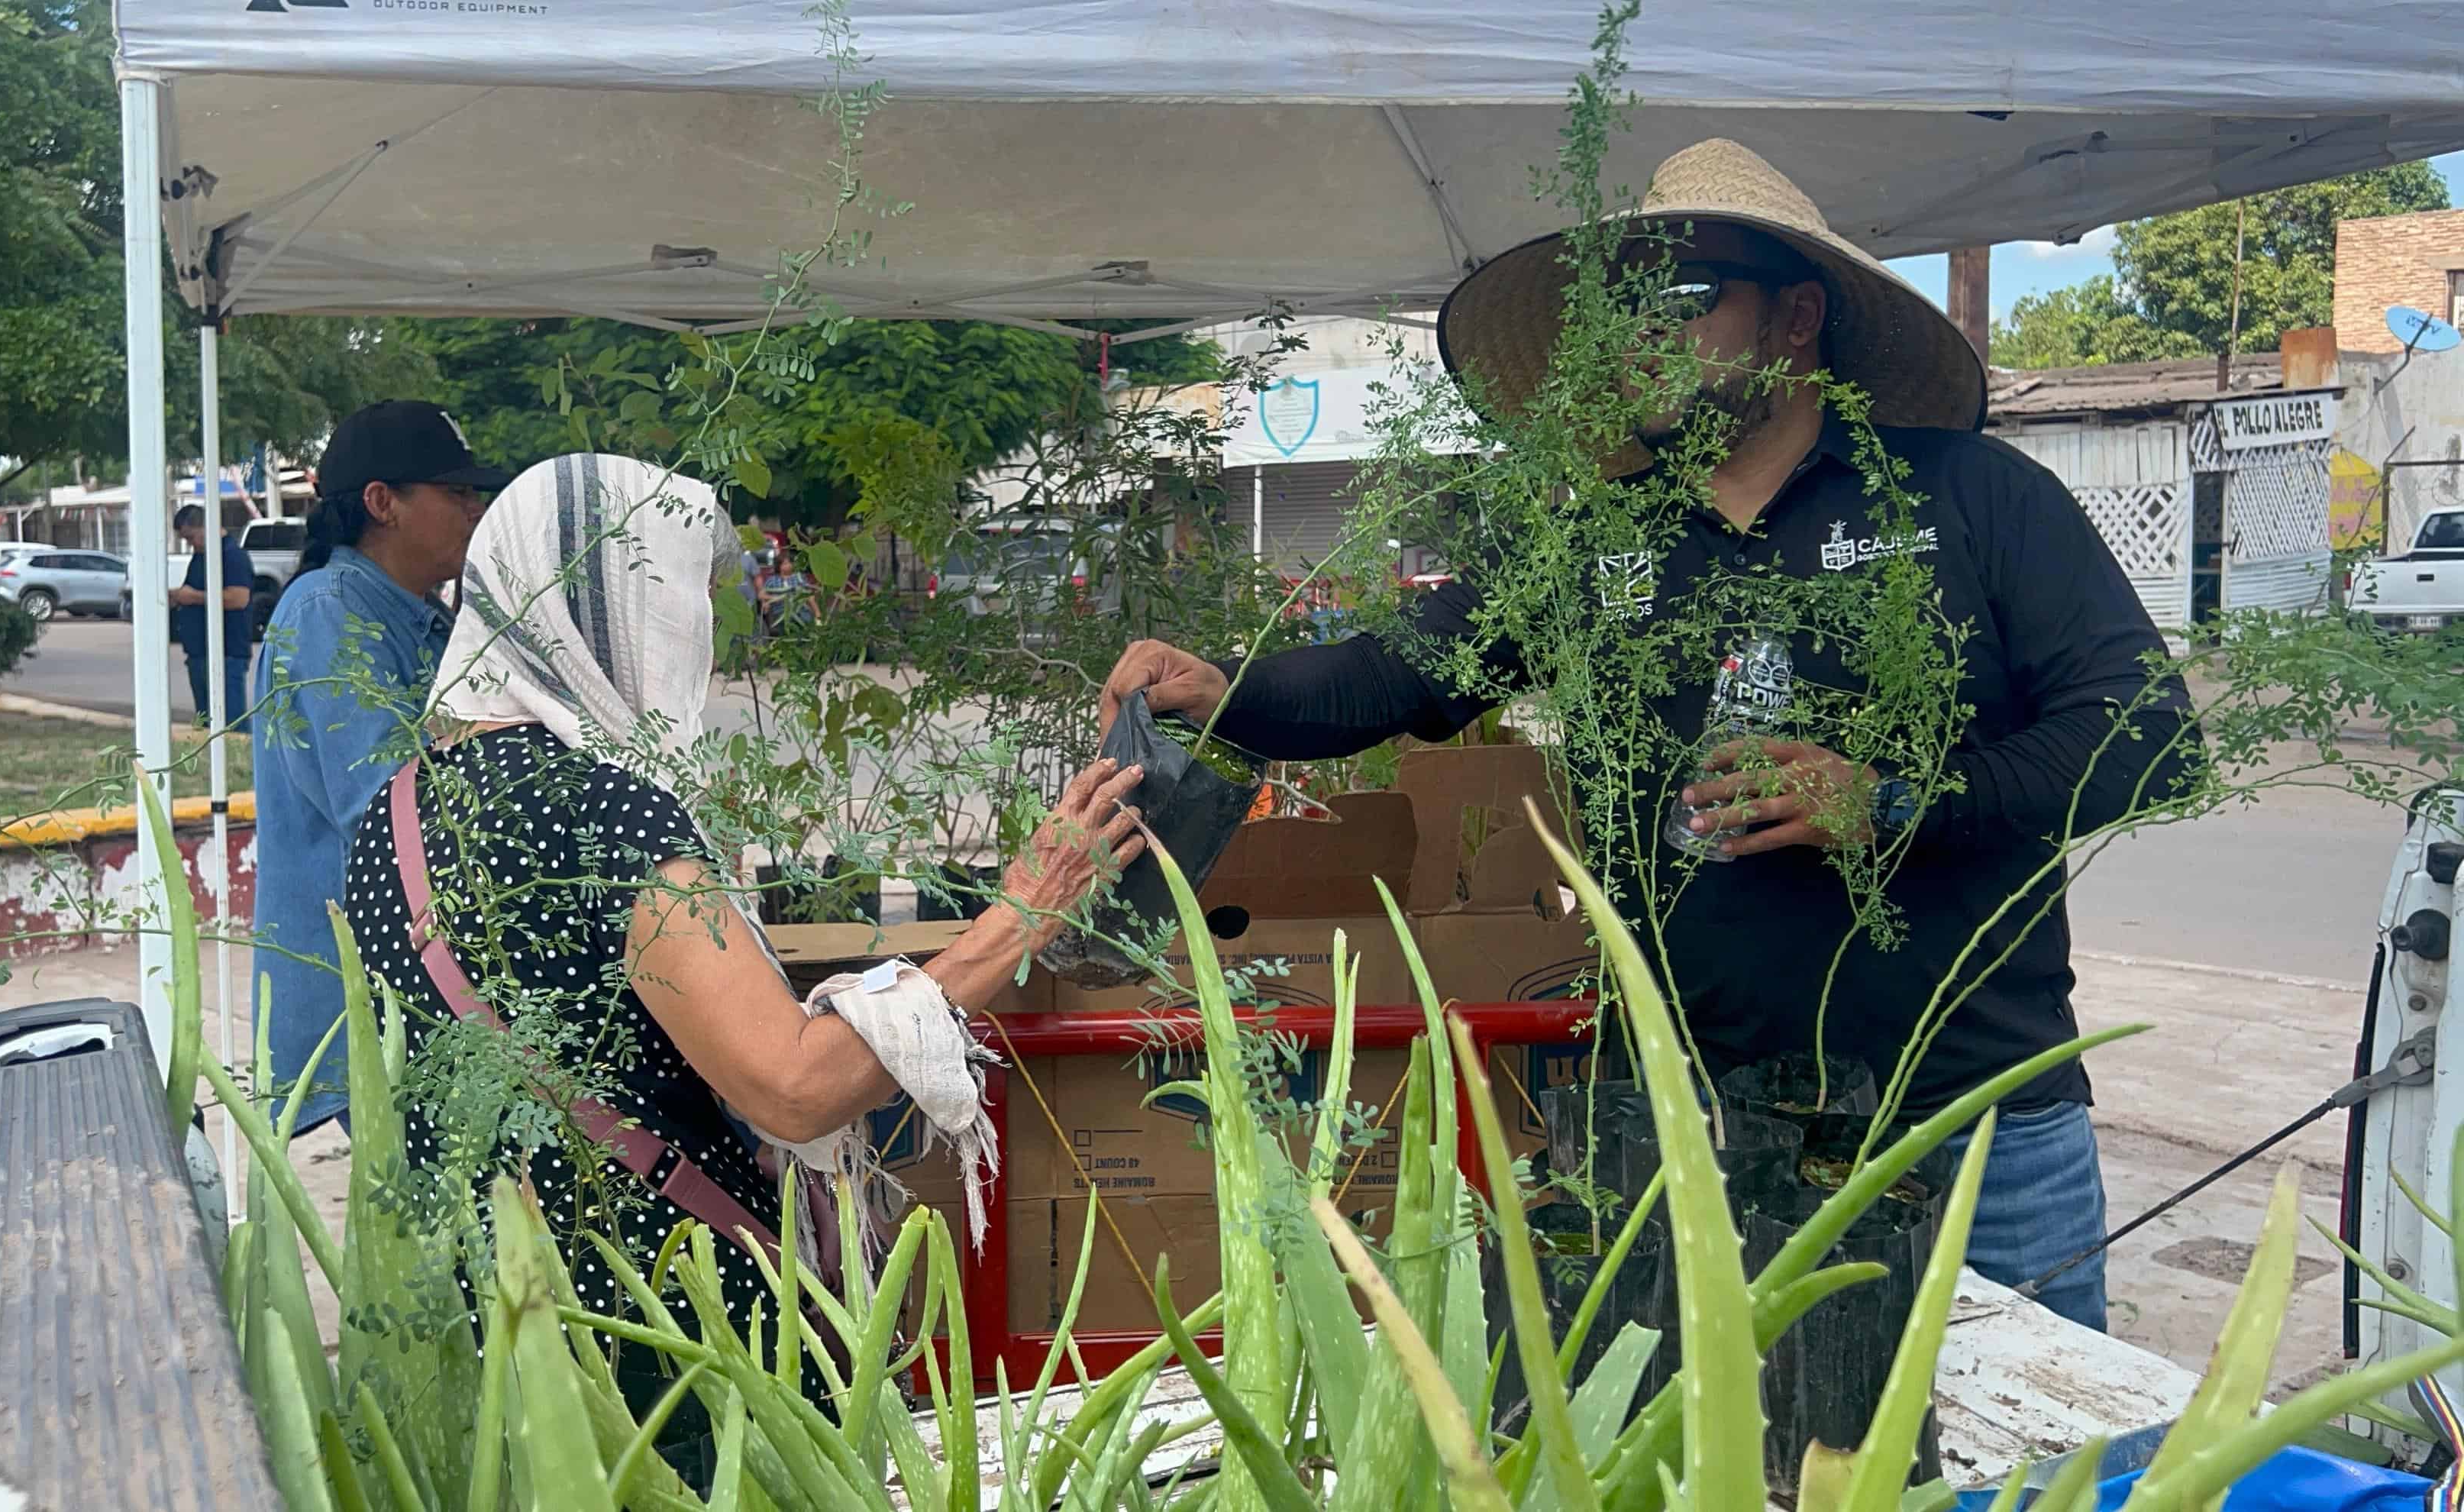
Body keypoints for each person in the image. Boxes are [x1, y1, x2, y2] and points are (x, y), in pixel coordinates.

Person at [1096, 140, 2191, 1333]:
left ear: (1797, 316)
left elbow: (2146, 738)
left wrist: (1884, 801)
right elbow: (1391, 676)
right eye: (1611, 307)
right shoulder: (1591, 540)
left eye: (1678, 295)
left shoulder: (1973, 498)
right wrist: (1226, 683)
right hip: (1692, 1107)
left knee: (2029, 1466)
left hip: (1966, 1111)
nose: (1632, 332)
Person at [338, 452, 1144, 1476]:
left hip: (497, 1343)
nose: (704, 641)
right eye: (686, 600)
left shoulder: (395, 817)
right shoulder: (603, 811)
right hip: (675, 1349)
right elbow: (793, 1085)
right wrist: (1016, 917)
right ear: (620, 606)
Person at [250, 400, 512, 1133]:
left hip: (428, 985)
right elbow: (394, 813)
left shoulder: (421, 614)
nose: (475, 509)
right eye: (456, 493)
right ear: (381, 503)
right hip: (373, 995)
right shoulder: (327, 613)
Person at [170, 504, 254, 729]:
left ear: (206, 527)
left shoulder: (232, 556)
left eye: (191, 538)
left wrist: (194, 597)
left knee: (231, 723)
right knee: (207, 723)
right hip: (199, 652)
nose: (191, 545)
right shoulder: (200, 557)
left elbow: (238, 598)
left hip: (226, 653)